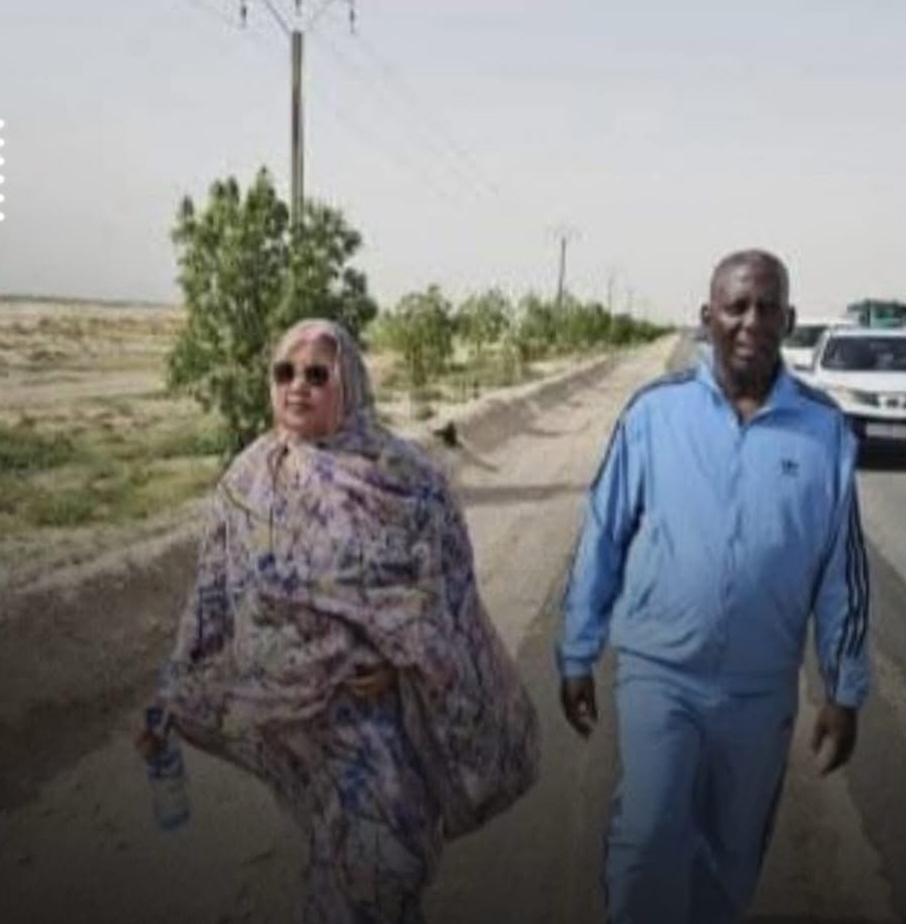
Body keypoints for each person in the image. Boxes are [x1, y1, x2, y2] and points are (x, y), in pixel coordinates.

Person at [137, 318, 539, 923]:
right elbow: (212, 598)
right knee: (348, 859)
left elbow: (446, 591)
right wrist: (174, 694)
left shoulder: (407, 481)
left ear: (348, 382)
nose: (297, 386)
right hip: (299, 720)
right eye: (284, 373)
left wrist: (403, 656)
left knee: (389, 858)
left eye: (317, 375)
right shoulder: (249, 482)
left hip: (381, 716)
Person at [557, 250, 869, 924]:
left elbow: (842, 575)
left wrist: (844, 690)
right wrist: (576, 650)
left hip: (760, 692)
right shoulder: (653, 415)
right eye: (736, 306)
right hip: (658, 675)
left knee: (729, 861)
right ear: (707, 319)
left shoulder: (824, 432)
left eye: (765, 307)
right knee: (647, 842)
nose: (750, 320)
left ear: (787, 319)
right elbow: (604, 533)